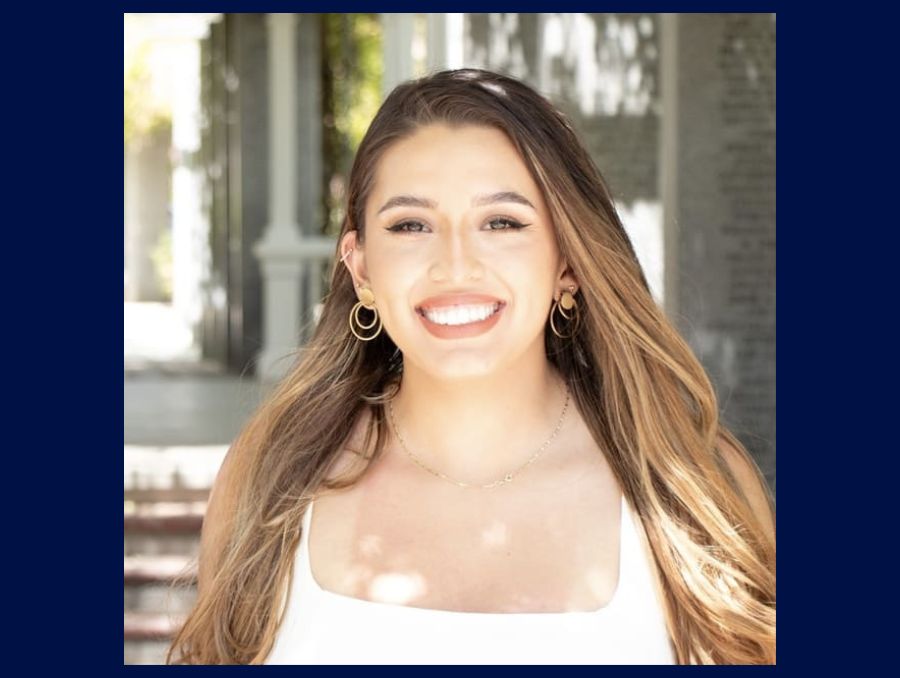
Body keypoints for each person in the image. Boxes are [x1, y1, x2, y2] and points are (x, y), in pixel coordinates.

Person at [167, 68, 776, 665]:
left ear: (567, 261)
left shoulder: (694, 491)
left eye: (502, 222)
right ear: (361, 269)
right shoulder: (269, 477)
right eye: (411, 225)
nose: (455, 264)